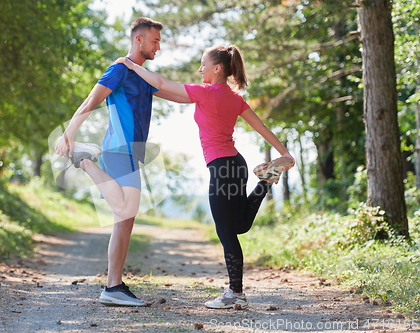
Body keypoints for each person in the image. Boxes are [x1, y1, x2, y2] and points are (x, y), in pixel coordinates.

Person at [115, 45, 295, 309]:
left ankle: (235, 293)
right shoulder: (232, 98)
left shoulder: (205, 93)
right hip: (237, 165)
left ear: (217, 68)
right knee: (239, 226)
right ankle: (266, 181)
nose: (200, 69)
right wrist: (285, 153)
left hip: (222, 169)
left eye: (203, 64)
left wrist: (132, 66)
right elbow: (261, 126)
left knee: (227, 232)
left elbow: (164, 82)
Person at [54, 17, 188, 307]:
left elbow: (179, 96)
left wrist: (210, 91)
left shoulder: (141, 75)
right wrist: (67, 135)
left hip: (130, 151)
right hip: (118, 148)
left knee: (124, 219)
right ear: (138, 39)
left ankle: (113, 286)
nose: (159, 47)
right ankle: (85, 161)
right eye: (155, 41)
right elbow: (91, 100)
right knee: (126, 210)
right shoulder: (119, 70)